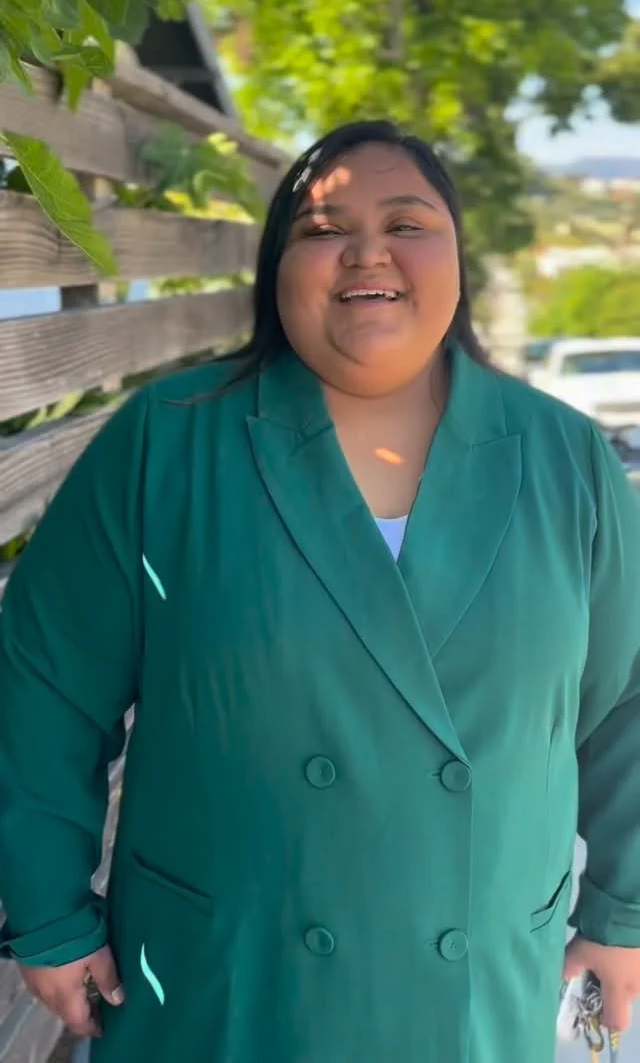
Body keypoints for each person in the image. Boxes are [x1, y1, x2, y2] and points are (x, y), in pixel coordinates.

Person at [0, 119, 639, 1063]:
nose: (367, 252)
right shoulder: (166, 441)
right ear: (277, 269)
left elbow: (626, 703)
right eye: (324, 228)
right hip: (226, 986)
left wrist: (622, 911)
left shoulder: (567, 458)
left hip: (473, 991)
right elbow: (45, 685)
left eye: (407, 223)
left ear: (459, 262)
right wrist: (49, 913)